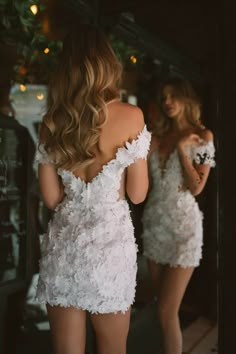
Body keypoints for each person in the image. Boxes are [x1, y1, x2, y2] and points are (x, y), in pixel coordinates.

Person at [35, 24, 151, 354]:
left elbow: (53, 198)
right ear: (107, 64)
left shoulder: (53, 122)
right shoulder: (132, 116)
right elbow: (138, 194)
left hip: (65, 251)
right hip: (109, 252)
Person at [141, 76, 215, 354]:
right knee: (162, 307)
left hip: (184, 228)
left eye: (173, 96)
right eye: (164, 97)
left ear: (187, 99)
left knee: (165, 309)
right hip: (154, 225)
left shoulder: (204, 136)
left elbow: (197, 186)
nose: (168, 102)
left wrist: (184, 149)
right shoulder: (155, 138)